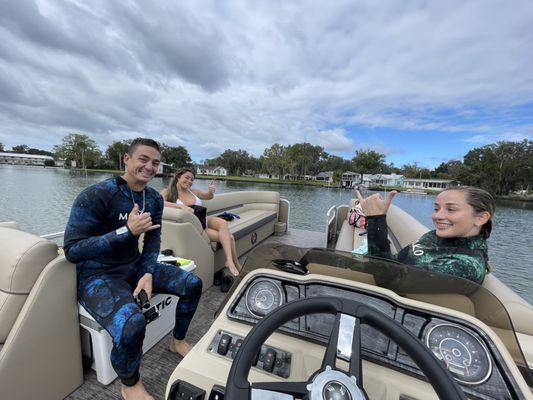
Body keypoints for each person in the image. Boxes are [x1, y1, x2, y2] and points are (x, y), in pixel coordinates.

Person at [64, 139, 202, 400]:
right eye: (143, 159)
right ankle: (130, 384)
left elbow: (152, 239)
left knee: (192, 284)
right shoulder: (96, 195)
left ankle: (178, 341)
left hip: (134, 266)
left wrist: (147, 271)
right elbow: (73, 250)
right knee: (132, 324)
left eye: (155, 162)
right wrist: (126, 231)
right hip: (97, 275)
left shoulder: (152, 198)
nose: (149, 166)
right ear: (126, 159)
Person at [356, 186, 495, 284]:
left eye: (451, 209)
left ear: (480, 218)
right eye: (436, 208)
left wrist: (375, 220)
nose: (437, 216)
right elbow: (394, 263)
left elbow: (386, 279)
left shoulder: (465, 265)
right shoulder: (435, 237)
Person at [161, 167, 242, 276]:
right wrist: (181, 207)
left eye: (192, 180)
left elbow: (208, 197)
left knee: (223, 223)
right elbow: (158, 203)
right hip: (194, 227)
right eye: (187, 178)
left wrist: (210, 191)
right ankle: (235, 263)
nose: (189, 181)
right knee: (230, 237)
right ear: (178, 177)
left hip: (203, 219)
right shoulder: (168, 192)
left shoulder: (193, 192)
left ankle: (230, 261)